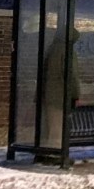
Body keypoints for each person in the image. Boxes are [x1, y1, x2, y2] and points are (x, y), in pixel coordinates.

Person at [39, 26, 81, 159]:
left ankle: (44, 153)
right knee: (58, 129)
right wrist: (76, 94)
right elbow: (71, 75)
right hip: (60, 95)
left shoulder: (51, 48)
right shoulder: (67, 51)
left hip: (47, 94)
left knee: (49, 128)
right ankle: (56, 156)